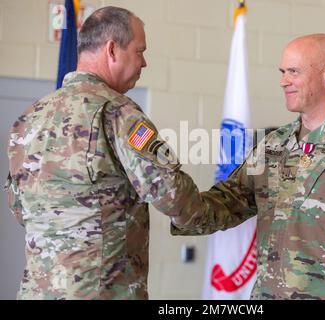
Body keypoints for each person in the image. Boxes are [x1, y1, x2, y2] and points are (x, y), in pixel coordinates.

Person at [170, 34, 325, 300]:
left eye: (293, 71)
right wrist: (169, 194)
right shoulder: (274, 145)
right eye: (283, 72)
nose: (283, 81)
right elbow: (225, 205)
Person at [4, 6, 197, 300]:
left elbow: (19, 208)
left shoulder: (28, 118)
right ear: (112, 49)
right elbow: (173, 195)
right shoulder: (118, 113)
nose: (144, 62)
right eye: (140, 51)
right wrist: (220, 208)